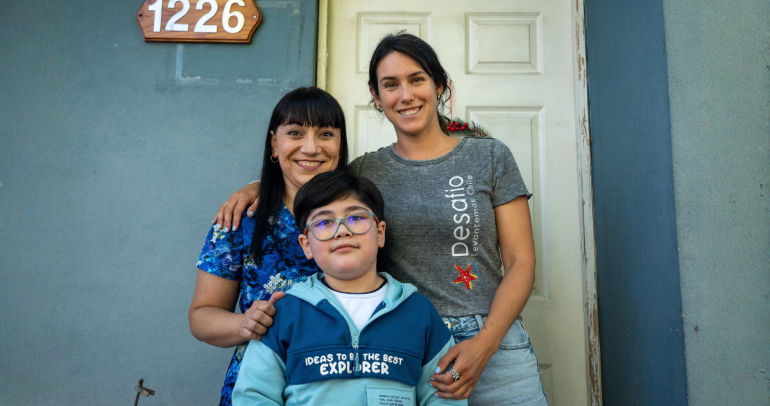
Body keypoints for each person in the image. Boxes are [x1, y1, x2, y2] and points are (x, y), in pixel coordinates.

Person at [215, 33, 548, 405]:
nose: (405, 95)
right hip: (402, 342)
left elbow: (522, 261)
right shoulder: (366, 170)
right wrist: (259, 185)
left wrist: (484, 344)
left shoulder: (490, 157)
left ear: (439, 85)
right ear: (376, 96)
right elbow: (311, 182)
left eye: (417, 79)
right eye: (390, 85)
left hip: (494, 341)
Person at [233, 171, 466, 406]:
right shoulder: (284, 313)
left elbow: (445, 397)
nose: (343, 230)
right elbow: (253, 396)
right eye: (324, 222)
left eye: (356, 218)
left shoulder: (419, 312)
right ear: (306, 245)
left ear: (380, 233)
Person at [189, 87, 350, 406]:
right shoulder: (240, 219)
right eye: (295, 132)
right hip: (259, 387)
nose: (311, 147)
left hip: (345, 386)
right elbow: (201, 316)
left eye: (326, 133)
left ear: (341, 144)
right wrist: (244, 323)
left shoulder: (360, 215)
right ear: (274, 144)